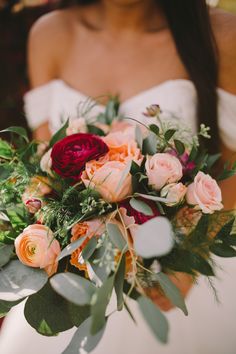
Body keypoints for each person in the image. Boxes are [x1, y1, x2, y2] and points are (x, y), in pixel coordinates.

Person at [0, 1, 236, 353]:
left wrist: (189, 265)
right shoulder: (50, 34)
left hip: (180, 273)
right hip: (78, 275)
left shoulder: (221, 35)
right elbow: (44, 166)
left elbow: (232, 167)